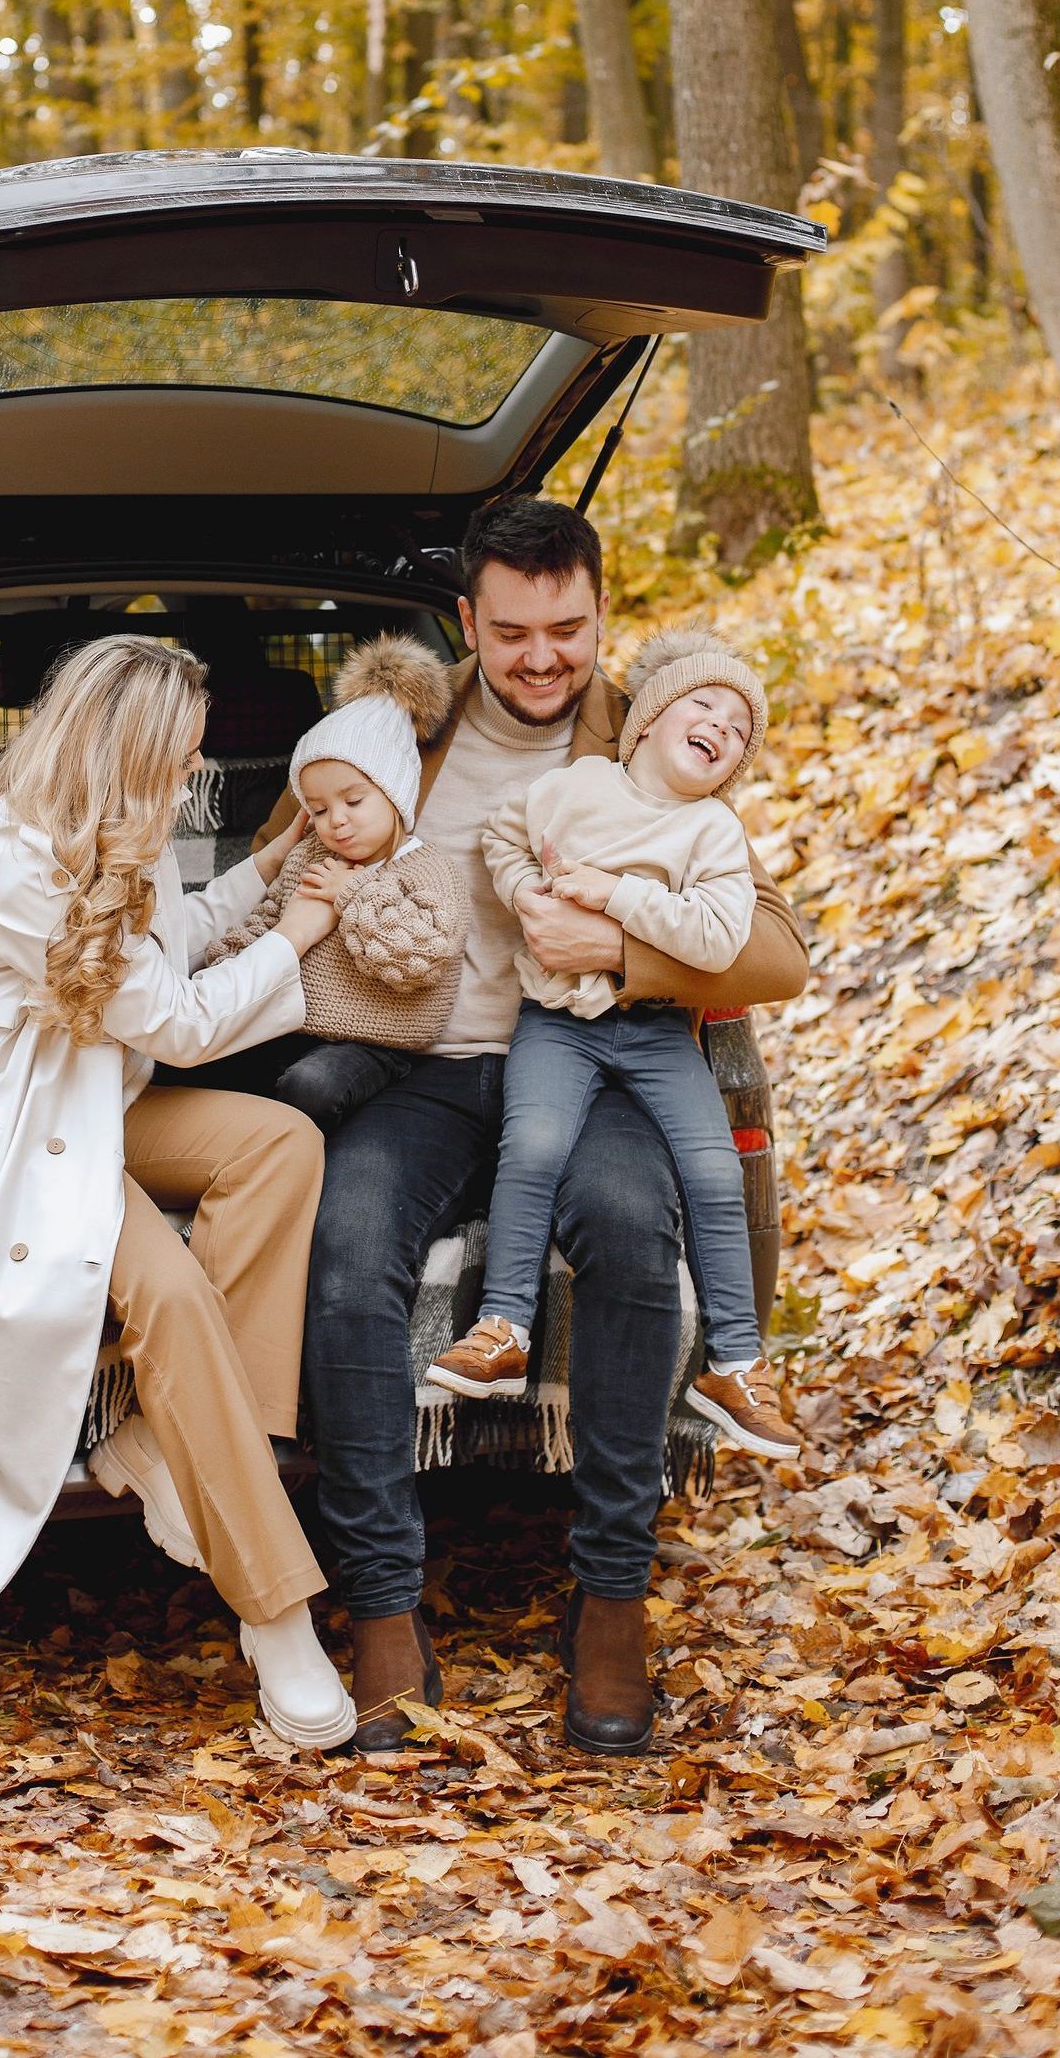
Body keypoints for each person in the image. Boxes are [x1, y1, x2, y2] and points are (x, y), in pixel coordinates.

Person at [260, 499, 809, 1758]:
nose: (545, 657)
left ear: (603, 615)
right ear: (469, 621)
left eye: (569, 629)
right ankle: (385, 1607)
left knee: (629, 1229)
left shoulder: (653, 732)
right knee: (347, 1249)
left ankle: (612, 1595)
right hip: (431, 1073)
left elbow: (775, 947)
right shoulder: (402, 732)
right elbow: (280, 859)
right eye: (514, 633)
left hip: (597, 1062)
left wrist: (622, 945)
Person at [0, 634, 356, 1750]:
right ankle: (276, 1610)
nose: (197, 775)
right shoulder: (13, 853)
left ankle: (164, 1449)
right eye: (184, 756)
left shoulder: (131, 831)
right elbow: (175, 1020)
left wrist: (266, 868)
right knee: (174, 1295)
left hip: (85, 1098)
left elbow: (171, 942)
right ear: (131, 753)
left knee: (278, 1143)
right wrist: (295, 934)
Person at [424, 626, 801, 1468]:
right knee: (535, 1148)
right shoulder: (577, 787)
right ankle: (502, 1328)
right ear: (651, 716)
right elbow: (502, 836)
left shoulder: (713, 833)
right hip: (557, 1023)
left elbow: (715, 936)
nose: (720, 726)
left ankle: (736, 1365)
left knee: (712, 1170)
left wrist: (613, 896)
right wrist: (529, 896)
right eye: (703, 704)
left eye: (738, 729)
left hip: (658, 1029)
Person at [205, 635, 467, 1131]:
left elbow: (423, 956)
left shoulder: (428, 869)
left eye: (354, 801)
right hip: (289, 1026)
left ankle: (296, 1151)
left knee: (313, 1087)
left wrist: (351, 894)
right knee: (185, 1062)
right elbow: (264, 918)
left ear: (394, 794)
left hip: (378, 1044)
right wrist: (223, 969)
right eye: (320, 810)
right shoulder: (310, 854)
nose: (337, 822)